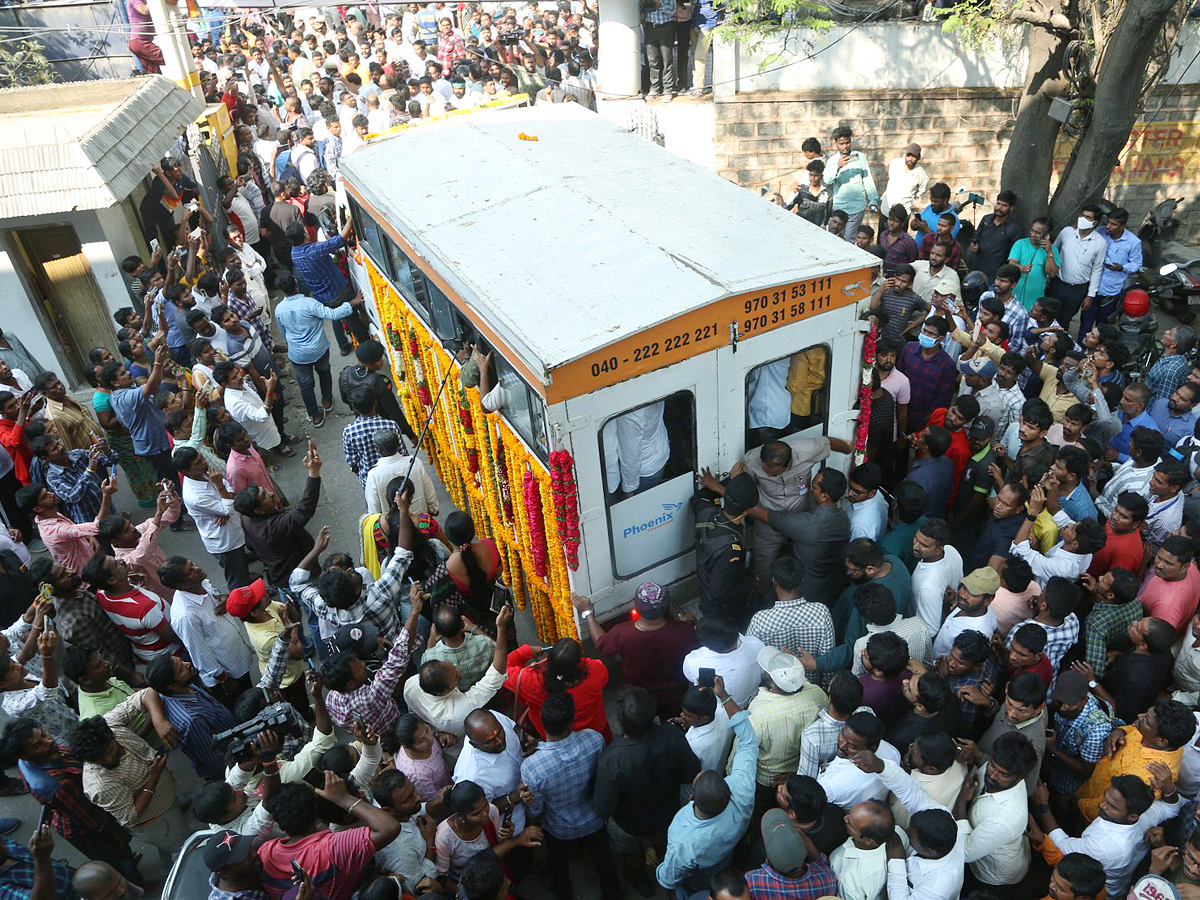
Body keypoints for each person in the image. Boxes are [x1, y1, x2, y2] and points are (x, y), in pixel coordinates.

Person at [593, 685, 702, 896]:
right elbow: (692, 772)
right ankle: (671, 882)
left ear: (621, 722)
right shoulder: (671, 734)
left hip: (628, 823)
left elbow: (602, 808)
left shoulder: (612, 759)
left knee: (629, 852)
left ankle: (640, 880)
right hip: (667, 816)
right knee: (667, 850)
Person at [656, 675, 759, 895]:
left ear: (693, 797)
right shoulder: (742, 788)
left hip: (700, 876)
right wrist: (723, 695)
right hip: (727, 852)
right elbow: (749, 741)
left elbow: (668, 878)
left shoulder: (685, 840)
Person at [258, 772, 402, 900]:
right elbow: (390, 827)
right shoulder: (333, 848)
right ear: (316, 810)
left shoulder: (265, 853)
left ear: (277, 821)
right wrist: (342, 797)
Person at [574, 582, 697, 722]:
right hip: (673, 696)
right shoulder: (684, 631)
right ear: (667, 607)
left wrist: (588, 612)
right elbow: (690, 635)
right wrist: (690, 623)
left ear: (636, 607)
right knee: (671, 725)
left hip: (638, 700)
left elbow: (601, 642)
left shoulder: (622, 633)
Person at [404, 605, 511, 738]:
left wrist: (431, 639)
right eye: (456, 676)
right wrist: (491, 628)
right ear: (445, 691)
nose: (458, 670)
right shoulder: (456, 712)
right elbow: (497, 669)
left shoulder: (412, 683)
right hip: (479, 709)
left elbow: (428, 656)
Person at [322, 593, 422, 731]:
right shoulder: (369, 698)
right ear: (350, 684)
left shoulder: (332, 698)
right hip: (392, 730)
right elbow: (397, 660)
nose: (364, 664)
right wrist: (415, 611)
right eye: (360, 667)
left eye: (360, 661)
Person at [158, 557, 255, 699]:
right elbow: (200, 653)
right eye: (190, 571)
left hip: (237, 658)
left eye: (193, 564)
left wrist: (227, 600)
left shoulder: (201, 583)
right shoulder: (186, 616)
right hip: (227, 675)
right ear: (181, 584)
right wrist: (223, 679)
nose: (197, 569)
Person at [274, 272, 363, 426]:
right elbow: (333, 314)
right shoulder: (309, 303)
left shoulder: (279, 309)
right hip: (318, 349)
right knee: (324, 372)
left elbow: (283, 332)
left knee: (306, 385)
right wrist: (352, 303)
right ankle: (327, 401)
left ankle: (315, 416)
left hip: (298, 354)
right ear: (296, 284)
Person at [235, 441, 321, 586]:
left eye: (265, 491)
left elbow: (251, 546)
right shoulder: (273, 528)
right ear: (258, 510)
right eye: (265, 496)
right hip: (297, 578)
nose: (271, 494)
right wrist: (313, 475)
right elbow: (305, 509)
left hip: (278, 573)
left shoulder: (246, 518)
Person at [143, 654, 237, 780]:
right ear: (173, 686)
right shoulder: (191, 721)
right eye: (181, 669)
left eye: (182, 661)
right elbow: (216, 761)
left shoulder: (184, 686)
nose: (187, 664)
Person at [173, 446, 252, 590]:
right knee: (237, 580)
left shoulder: (204, 473)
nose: (204, 462)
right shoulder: (195, 496)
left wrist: (226, 505)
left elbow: (230, 490)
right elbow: (229, 506)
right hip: (225, 540)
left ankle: (248, 582)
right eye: (198, 462)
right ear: (187, 471)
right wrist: (222, 491)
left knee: (241, 566)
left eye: (201, 457)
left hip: (234, 528)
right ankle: (247, 605)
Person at [747, 648, 828, 788]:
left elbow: (742, 750)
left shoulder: (758, 712)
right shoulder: (819, 695)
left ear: (772, 682)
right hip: (804, 773)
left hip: (768, 780)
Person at [81, 552, 181, 665]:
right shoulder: (145, 607)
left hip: (146, 653)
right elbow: (172, 636)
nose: (121, 560)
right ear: (112, 580)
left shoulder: (102, 594)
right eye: (115, 564)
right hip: (172, 654)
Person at [505, 635, 611, 741]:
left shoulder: (533, 682)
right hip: (596, 734)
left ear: (549, 660)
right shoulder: (596, 672)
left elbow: (501, 671)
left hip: (556, 738)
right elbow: (594, 668)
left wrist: (526, 651)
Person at [691, 470, 760, 621]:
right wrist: (751, 584)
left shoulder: (705, 512)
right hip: (721, 610)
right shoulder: (730, 548)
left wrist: (730, 482)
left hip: (704, 589)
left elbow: (698, 498)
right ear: (747, 510)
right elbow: (718, 592)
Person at [99, 349, 176, 482]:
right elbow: (150, 387)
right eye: (123, 373)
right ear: (115, 383)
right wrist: (157, 362)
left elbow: (154, 385)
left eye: (126, 370)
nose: (129, 373)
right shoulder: (124, 397)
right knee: (170, 483)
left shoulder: (128, 389)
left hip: (158, 445)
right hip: (156, 449)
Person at [17, 477, 117, 574]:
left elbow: (75, 531)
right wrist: (106, 495)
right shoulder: (55, 530)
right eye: (45, 496)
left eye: (47, 491)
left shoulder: (50, 516)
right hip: (87, 575)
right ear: (38, 508)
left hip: (92, 562)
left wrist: (88, 537)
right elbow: (96, 526)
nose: (51, 494)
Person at [100, 481, 181, 599]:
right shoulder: (123, 560)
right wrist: (158, 513)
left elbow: (170, 516)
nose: (133, 529)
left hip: (177, 581)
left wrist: (170, 494)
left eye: (130, 525)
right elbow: (142, 555)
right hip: (164, 598)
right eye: (126, 530)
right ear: (115, 542)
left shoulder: (139, 531)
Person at [746, 556, 834, 662]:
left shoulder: (760, 620)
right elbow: (828, 658)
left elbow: (751, 659)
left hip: (775, 679)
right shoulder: (821, 612)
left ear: (774, 581)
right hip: (812, 678)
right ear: (802, 581)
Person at [1081, 207, 1143, 339]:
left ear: (1123, 226)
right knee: (1086, 323)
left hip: (1111, 291)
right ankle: (1081, 348)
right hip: (1092, 288)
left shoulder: (1133, 242)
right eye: (1107, 222)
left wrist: (1121, 267)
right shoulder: (1099, 232)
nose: (1108, 226)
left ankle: (1096, 352)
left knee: (1102, 326)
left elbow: (1137, 264)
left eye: (1113, 224)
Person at [339, 338, 415, 442]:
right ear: (372, 363)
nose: (382, 361)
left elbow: (345, 399)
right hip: (384, 430)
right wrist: (410, 435)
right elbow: (394, 411)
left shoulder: (345, 374)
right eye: (379, 359)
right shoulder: (379, 382)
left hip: (361, 422)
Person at [682, 616, 766, 709]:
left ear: (705, 643)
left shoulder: (692, 662)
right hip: (754, 702)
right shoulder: (757, 646)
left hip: (723, 712)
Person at [897, 318, 958, 432]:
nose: (925, 335)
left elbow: (943, 398)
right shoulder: (908, 349)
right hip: (900, 411)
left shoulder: (947, 365)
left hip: (922, 420)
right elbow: (897, 376)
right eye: (924, 331)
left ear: (941, 338)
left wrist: (925, 421)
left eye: (931, 334)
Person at [1049, 209, 1107, 329]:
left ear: (1095, 222)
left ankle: (1059, 342)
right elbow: (1054, 249)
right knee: (1050, 315)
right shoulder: (1067, 232)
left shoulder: (1100, 243)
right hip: (1059, 284)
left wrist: (1090, 295)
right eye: (1082, 215)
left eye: (1088, 217)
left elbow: (1097, 270)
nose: (1083, 219)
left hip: (1078, 290)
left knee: (1065, 319)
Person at [822, 126, 879, 241]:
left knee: (850, 239)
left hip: (857, 206)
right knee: (836, 237)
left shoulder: (860, 157)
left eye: (847, 143)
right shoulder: (832, 161)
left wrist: (873, 199)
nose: (844, 146)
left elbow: (867, 179)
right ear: (836, 143)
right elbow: (827, 181)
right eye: (841, 143)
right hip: (839, 206)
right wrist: (838, 167)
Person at [1008, 216, 1060, 309]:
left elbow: (1052, 273)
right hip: (1013, 297)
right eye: (1032, 231)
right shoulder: (1020, 244)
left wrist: (1049, 252)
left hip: (1034, 302)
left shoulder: (1053, 250)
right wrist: (1021, 268)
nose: (1032, 234)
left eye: (1038, 233)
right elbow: (1011, 264)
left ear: (1046, 235)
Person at [970, 190, 1022, 281]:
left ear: (1011, 208)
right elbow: (976, 238)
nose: (999, 208)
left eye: (1004, 205)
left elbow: (1013, 255)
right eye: (998, 204)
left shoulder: (1013, 228)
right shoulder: (986, 219)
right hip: (977, 272)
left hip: (996, 276)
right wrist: (974, 246)